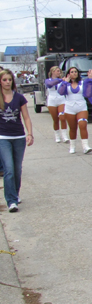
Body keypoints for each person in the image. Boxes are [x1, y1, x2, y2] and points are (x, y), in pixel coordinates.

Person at [0, 70, 33, 212]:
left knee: (17, 169)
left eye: (9, 79)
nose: (7, 82)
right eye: (4, 80)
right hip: (3, 138)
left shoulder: (19, 98)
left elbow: (26, 117)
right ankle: (11, 201)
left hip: (18, 137)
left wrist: (30, 134)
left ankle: (15, 194)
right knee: (9, 169)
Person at [57, 66, 92, 154]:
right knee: (73, 128)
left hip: (81, 107)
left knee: (82, 125)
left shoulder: (82, 83)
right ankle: (72, 146)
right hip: (70, 108)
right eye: (72, 72)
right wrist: (65, 82)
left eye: (75, 72)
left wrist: (90, 79)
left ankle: (85, 146)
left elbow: (89, 92)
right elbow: (61, 92)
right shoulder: (65, 83)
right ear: (68, 74)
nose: (74, 73)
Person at [43, 66, 68, 143]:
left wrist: (65, 82)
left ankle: (64, 136)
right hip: (52, 101)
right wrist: (61, 80)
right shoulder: (48, 80)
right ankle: (57, 135)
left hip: (61, 99)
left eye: (59, 71)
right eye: (57, 71)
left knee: (62, 117)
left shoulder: (62, 80)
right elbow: (50, 84)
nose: (59, 72)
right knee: (55, 119)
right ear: (52, 72)